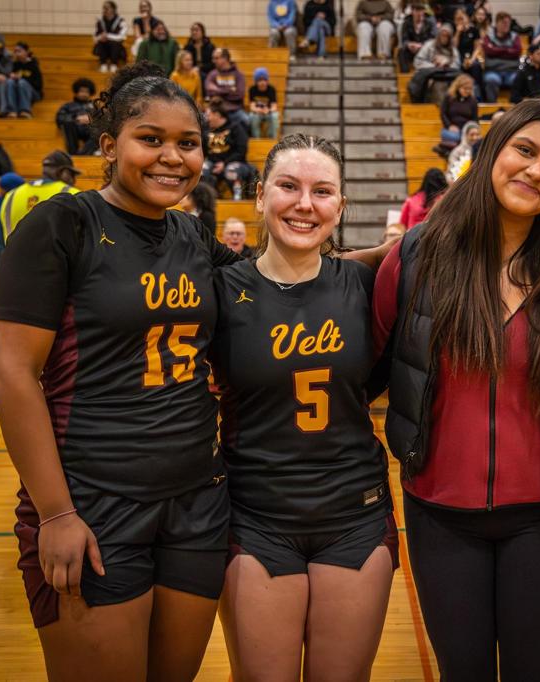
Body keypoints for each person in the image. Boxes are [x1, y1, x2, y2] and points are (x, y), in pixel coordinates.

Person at [0, 61, 239, 682]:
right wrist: (55, 513)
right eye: (149, 139)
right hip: (93, 505)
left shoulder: (194, 234)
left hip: (197, 504)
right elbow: (13, 373)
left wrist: (398, 253)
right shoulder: (62, 224)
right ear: (109, 146)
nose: (172, 158)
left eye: (187, 143)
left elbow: (279, 283)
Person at [373, 98, 540, 680]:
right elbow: (368, 360)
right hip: (440, 513)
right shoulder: (421, 254)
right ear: (493, 151)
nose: (535, 170)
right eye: (525, 150)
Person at [212, 134, 397, 681]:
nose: (304, 204)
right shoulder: (221, 289)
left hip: (355, 515)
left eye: (322, 192)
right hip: (256, 517)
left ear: (340, 207)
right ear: (259, 196)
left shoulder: (367, 284)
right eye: (289, 187)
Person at [0, 150, 80, 249]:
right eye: (72, 175)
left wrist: (8, 261)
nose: (74, 180)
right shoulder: (73, 194)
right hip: (55, 263)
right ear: (64, 172)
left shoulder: (11, 195)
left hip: (12, 262)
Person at [203, 98, 254, 201]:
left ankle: (238, 200)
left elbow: (241, 151)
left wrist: (224, 163)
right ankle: (208, 200)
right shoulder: (206, 129)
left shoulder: (235, 127)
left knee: (231, 170)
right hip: (212, 163)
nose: (207, 118)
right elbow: (202, 150)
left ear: (217, 115)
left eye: (209, 115)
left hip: (234, 162)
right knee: (201, 170)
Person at [408, 23, 459, 105]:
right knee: (437, 85)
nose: (444, 38)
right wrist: (435, 66)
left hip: (447, 76)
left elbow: (457, 66)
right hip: (430, 76)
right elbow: (417, 62)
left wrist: (447, 63)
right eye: (442, 35)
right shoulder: (429, 45)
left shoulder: (453, 50)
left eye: (447, 36)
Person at [481, 12, 521, 102]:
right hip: (493, 71)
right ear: (497, 23)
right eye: (504, 23)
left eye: (508, 23)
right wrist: (507, 50)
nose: (506, 25)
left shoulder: (515, 36)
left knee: (518, 78)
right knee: (491, 80)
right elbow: (488, 51)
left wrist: (496, 50)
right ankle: (492, 108)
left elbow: (517, 52)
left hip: (511, 71)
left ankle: (515, 107)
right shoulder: (489, 36)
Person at [56, 78, 97, 156]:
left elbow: (104, 119)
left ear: (90, 93)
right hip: (74, 129)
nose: (84, 94)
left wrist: (92, 119)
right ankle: (73, 153)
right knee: (67, 123)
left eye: (86, 92)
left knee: (101, 127)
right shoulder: (68, 106)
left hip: (90, 130)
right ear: (76, 92)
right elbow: (60, 118)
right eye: (81, 91)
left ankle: (80, 155)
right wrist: (76, 118)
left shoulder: (95, 107)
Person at [2, 42, 43, 119]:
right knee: (10, 81)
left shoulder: (33, 65)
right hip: (18, 90)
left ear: (26, 52)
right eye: (15, 51)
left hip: (33, 93)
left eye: (19, 51)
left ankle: (25, 111)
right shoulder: (15, 65)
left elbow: (39, 85)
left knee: (22, 82)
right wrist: (11, 76)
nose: (17, 53)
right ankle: (12, 110)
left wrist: (22, 78)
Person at [204, 48, 246, 121]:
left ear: (225, 58)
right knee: (201, 122)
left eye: (216, 58)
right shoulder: (212, 74)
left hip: (235, 110)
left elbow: (239, 95)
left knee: (246, 121)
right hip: (216, 110)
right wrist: (230, 90)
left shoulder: (238, 75)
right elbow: (210, 93)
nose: (213, 61)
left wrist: (217, 90)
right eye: (213, 58)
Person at [439, 73, 477, 148]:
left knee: (472, 139)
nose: (467, 91)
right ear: (458, 87)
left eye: (469, 89)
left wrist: (471, 130)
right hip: (450, 129)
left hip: (466, 130)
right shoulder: (449, 97)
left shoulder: (473, 101)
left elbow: (474, 119)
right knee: (455, 137)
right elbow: (443, 113)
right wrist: (449, 126)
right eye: (465, 89)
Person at [398, 3, 436, 73]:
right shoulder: (406, 23)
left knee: (433, 51)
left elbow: (432, 39)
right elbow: (404, 39)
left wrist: (421, 45)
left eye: (421, 11)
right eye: (417, 11)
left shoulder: (429, 23)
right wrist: (409, 44)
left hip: (425, 49)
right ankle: (404, 74)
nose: (419, 13)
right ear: (412, 12)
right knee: (401, 52)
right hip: (411, 50)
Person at [93, 1, 128, 73]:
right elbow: (95, 38)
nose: (104, 10)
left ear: (113, 9)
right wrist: (101, 37)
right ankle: (103, 64)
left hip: (117, 50)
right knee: (101, 42)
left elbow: (122, 37)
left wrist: (108, 36)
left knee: (114, 43)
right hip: (103, 48)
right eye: (104, 8)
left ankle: (114, 64)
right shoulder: (100, 21)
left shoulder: (121, 21)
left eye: (107, 8)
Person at [248, 67, 279, 139]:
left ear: (267, 80)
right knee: (252, 116)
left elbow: (274, 106)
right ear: (256, 81)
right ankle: (256, 138)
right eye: (260, 80)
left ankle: (272, 138)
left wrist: (268, 110)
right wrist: (258, 110)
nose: (262, 82)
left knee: (274, 116)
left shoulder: (271, 89)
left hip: (268, 112)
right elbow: (252, 106)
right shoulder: (252, 89)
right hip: (257, 113)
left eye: (264, 80)